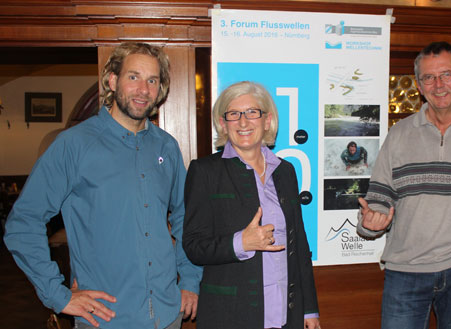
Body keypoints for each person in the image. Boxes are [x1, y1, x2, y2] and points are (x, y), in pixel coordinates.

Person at [3, 42, 202, 329]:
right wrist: (58, 295)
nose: (143, 89)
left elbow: (186, 218)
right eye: (133, 77)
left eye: (152, 80)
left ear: (160, 90)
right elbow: (24, 223)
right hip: (107, 319)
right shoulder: (74, 145)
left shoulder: (166, 146)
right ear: (112, 80)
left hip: (168, 313)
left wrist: (191, 280)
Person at [356, 41, 451, 329]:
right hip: (405, 270)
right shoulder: (399, 134)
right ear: (419, 85)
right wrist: (371, 222)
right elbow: (379, 198)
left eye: (446, 74)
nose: (438, 85)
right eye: (428, 77)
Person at [182, 81, 320, 329]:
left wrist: (309, 308)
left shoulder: (285, 171)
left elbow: (298, 244)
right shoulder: (205, 172)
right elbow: (193, 246)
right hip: (231, 316)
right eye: (234, 114)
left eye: (252, 113)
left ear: (267, 121)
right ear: (223, 124)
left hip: (287, 315)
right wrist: (241, 243)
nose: (243, 122)